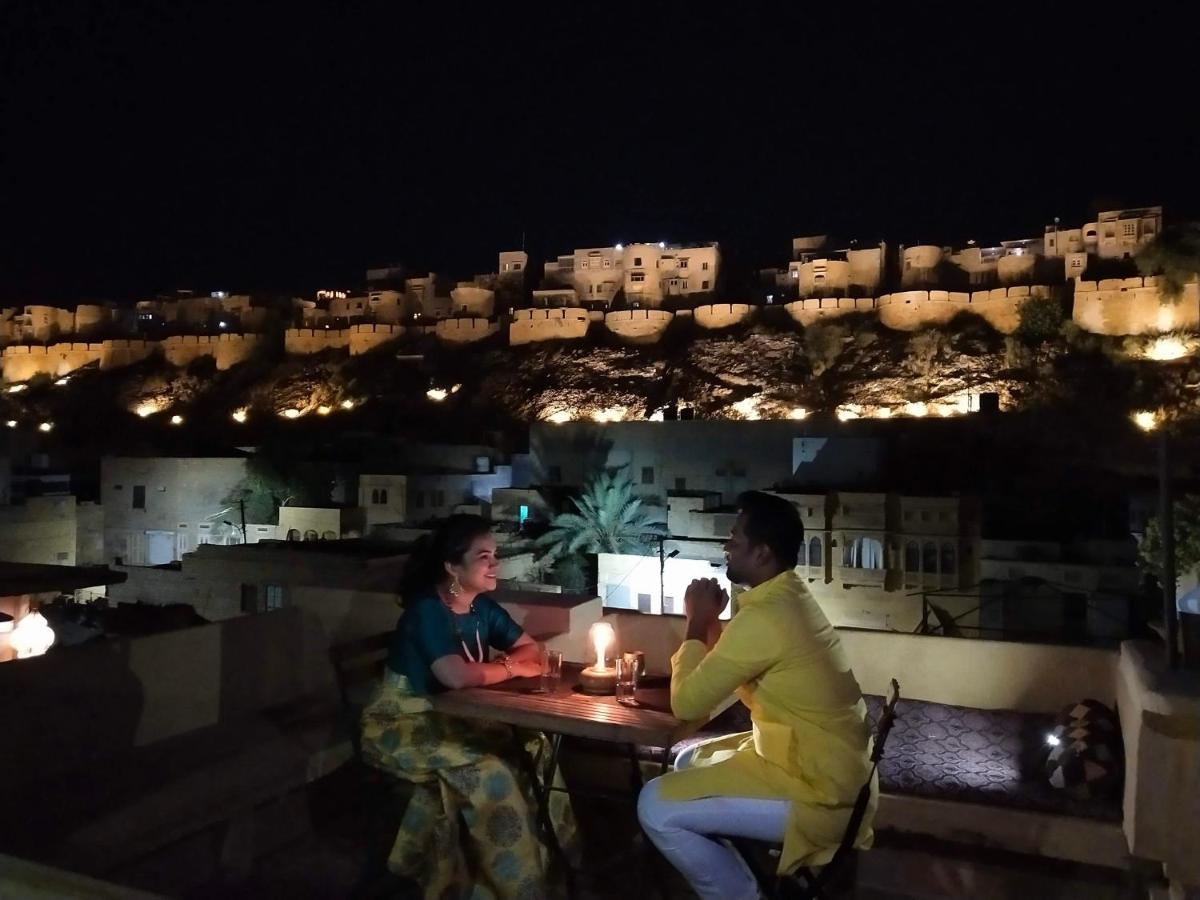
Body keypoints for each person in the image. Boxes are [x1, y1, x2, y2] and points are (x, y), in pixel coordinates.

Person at [637, 491, 874, 900]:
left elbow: (688, 704)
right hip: (821, 765)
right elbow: (725, 668)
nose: (726, 548)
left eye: (735, 539)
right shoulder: (785, 597)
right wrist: (711, 623)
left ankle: (742, 894)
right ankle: (747, 871)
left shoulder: (768, 616)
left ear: (763, 553)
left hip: (818, 791)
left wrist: (696, 621)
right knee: (689, 757)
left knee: (653, 805)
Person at [360, 514, 575, 899]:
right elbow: (455, 677)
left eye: (495, 555)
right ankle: (513, 886)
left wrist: (499, 668)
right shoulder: (428, 611)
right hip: (405, 722)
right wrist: (509, 667)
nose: (496, 563)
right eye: (483, 557)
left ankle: (554, 863)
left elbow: (533, 649)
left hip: (454, 715)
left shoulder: (481, 609)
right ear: (452, 566)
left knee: (535, 744)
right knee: (493, 771)